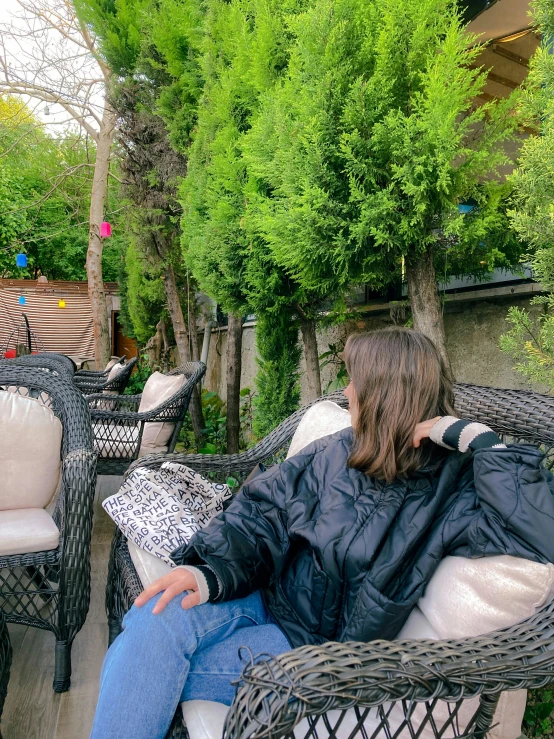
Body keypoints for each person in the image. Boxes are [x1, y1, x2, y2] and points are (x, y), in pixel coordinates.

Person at [91, 328, 554, 739]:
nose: (346, 391)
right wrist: (210, 574)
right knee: (157, 612)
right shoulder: (338, 450)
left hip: (307, 654)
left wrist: (479, 439)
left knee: (146, 661)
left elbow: (542, 533)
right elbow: (262, 512)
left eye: (356, 381)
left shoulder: (455, 492)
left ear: (384, 395)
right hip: (261, 599)